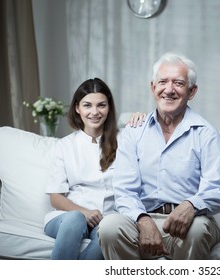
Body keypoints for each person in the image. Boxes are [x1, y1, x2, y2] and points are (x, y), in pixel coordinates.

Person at [98, 53, 220, 260]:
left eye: (178, 83)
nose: (169, 90)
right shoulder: (134, 131)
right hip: (144, 217)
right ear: (153, 87)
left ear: (192, 91)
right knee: (109, 227)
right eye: (162, 82)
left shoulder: (206, 132)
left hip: (191, 220)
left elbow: (218, 190)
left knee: (197, 229)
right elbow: (124, 190)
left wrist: (191, 205)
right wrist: (143, 220)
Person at [43, 77, 144, 259]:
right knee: (76, 219)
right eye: (87, 105)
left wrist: (142, 119)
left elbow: (152, 138)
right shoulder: (65, 145)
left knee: (110, 232)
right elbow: (55, 197)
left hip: (106, 219)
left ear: (109, 108)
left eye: (101, 105)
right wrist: (84, 212)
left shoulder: (124, 140)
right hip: (67, 218)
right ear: (77, 108)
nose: (95, 112)